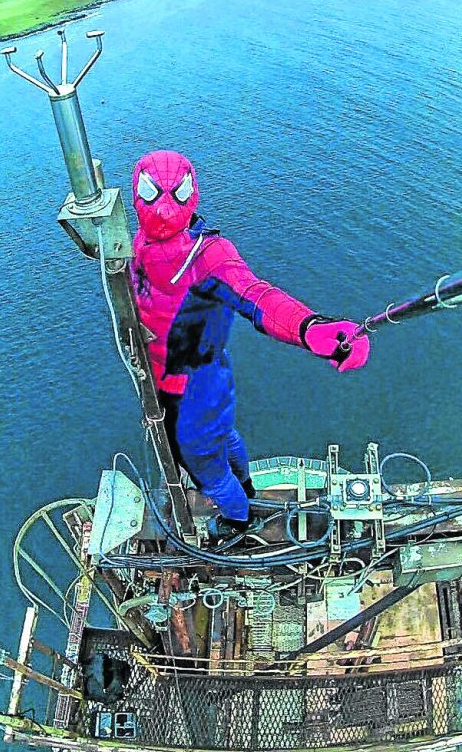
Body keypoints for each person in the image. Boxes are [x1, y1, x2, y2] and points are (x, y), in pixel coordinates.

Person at [131, 150, 370, 542]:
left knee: (204, 465)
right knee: (221, 438)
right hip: (198, 380)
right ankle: (245, 489)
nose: (163, 208)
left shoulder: (207, 257)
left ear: (190, 195)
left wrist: (312, 328)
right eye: (153, 193)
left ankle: (238, 520)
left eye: (174, 193)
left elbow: (258, 297)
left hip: (191, 388)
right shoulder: (141, 246)